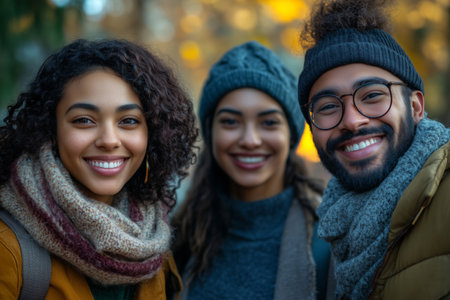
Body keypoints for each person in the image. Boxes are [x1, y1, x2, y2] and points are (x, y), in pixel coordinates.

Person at [0, 38, 198, 299]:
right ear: (51, 129)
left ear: (152, 133)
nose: (109, 140)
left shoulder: (154, 240)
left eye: (128, 121)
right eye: (84, 120)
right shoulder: (8, 248)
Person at [296, 0, 450, 299]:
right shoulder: (333, 233)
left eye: (373, 95)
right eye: (328, 106)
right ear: (312, 129)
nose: (352, 121)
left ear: (416, 106)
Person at [171, 41, 333, 300]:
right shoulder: (177, 240)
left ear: (290, 134)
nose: (250, 140)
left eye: (269, 122)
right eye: (231, 122)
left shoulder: (329, 241)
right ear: (212, 133)